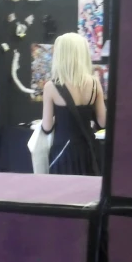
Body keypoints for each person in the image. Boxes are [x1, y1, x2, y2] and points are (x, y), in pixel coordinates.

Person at [41, 32, 106, 175]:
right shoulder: (95, 83)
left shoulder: (51, 87)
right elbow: (103, 122)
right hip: (89, 151)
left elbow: (46, 127)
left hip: (63, 152)